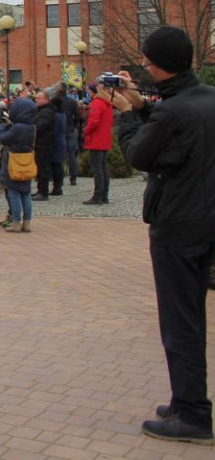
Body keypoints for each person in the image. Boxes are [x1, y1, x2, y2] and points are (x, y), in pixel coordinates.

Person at [112, 26, 215, 445]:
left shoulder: (173, 111)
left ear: (155, 64)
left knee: (181, 321)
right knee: (190, 317)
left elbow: (139, 154)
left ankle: (192, 414)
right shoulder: (204, 99)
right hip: (206, 217)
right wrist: (141, 108)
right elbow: (171, 135)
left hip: (178, 224)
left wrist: (125, 115)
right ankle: (186, 401)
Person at [0, 96, 37, 233]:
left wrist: (2, 128)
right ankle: (27, 222)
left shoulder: (18, 127)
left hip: (13, 159)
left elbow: (4, 138)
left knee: (13, 191)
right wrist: (10, 126)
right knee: (26, 192)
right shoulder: (31, 126)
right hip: (27, 159)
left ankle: (15, 222)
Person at [82, 83, 113, 205]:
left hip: (96, 139)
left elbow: (94, 122)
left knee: (98, 169)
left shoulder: (97, 103)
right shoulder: (108, 104)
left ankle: (98, 196)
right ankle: (104, 195)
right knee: (103, 167)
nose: (89, 93)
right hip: (105, 139)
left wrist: (86, 131)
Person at [31, 89, 56, 201]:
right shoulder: (40, 110)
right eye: (35, 98)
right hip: (40, 142)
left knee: (43, 168)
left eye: (38, 98)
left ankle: (43, 192)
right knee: (40, 167)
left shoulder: (47, 112)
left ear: (46, 100)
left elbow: (40, 126)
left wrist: (33, 126)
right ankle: (40, 189)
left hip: (44, 143)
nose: (36, 100)